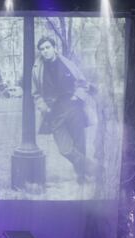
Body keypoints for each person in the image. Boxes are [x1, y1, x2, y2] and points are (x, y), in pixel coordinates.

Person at [31, 36, 100, 184]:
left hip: (74, 107)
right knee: (65, 149)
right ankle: (95, 169)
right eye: (42, 49)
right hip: (54, 112)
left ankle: (81, 176)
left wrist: (77, 97)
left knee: (79, 143)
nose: (45, 51)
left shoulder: (68, 64)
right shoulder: (37, 69)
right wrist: (43, 106)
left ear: (54, 48)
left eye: (48, 47)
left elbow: (82, 83)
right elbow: (35, 93)